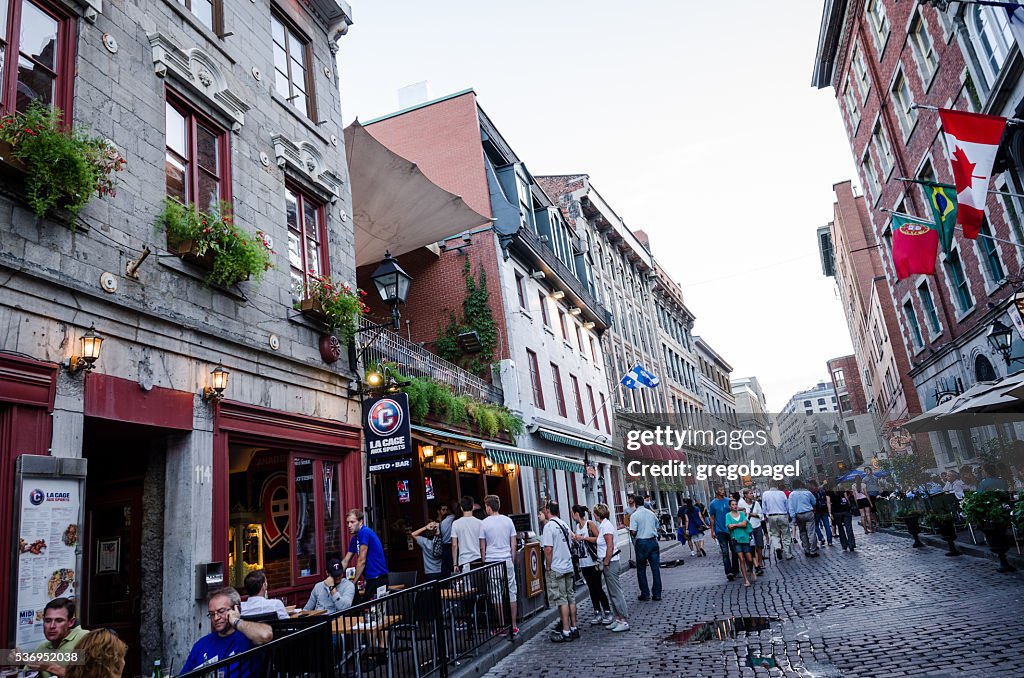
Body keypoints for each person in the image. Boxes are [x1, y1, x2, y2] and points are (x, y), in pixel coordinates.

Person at [181, 587, 272, 676]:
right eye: (212, 614)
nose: (216, 618)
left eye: (221, 611)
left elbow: (266, 635)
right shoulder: (201, 645)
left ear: (236, 609)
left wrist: (236, 621)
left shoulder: (248, 637)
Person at [479, 494, 518, 636]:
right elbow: (513, 543)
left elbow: (482, 546)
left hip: (492, 560)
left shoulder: (484, 523)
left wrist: (484, 560)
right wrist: (512, 559)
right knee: (512, 591)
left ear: (489, 508)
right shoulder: (508, 521)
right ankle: (513, 625)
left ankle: (502, 625)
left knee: (496, 594)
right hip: (506, 558)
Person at [540, 502, 578, 642]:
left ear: (548, 510)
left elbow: (548, 549)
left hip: (557, 567)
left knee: (562, 600)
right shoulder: (564, 524)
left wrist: (548, 566)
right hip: (567, 565)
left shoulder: (549, 526)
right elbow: (573, 541)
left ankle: (566, 630)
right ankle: (574, 627)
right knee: (571, 597)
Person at [24, 598, 89, 678]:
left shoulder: (85, 638)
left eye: (59, 620)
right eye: (48, 621)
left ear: (71, 622)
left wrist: (51, 667)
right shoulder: (42, 648)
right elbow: (27, 673)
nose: (52, 626)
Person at [570, 504, 611, 625]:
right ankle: (597, 611)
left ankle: (607, 611)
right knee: (591, 589)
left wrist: (584, 538)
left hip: (593, 561)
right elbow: (580, 544)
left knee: (597, 587)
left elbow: (599, 539)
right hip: (583, 562)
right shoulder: (577, 526)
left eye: (573, 513)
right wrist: (576, 540)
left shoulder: (589, 524)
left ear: (577, 514)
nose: (572, 516)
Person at [593, 503, 629, 632]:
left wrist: (606, 562)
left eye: (594, 513)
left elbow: (610, 546)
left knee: (615, 591)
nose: (593, 515)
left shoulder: (606, 526)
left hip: (611, 562)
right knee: (611, 591)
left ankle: (624, 620)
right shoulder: (603, 525)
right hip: (608, 561)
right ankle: (618, 618)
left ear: (598, 514)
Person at [342, 509, 388, 603]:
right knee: (366, 610)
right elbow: (346, 561)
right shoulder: (355, 539)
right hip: (371, 579)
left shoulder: (364, 532)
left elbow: (362, 560)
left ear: (360, 522)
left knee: (371, 612)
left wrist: (353, 582)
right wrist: (335, 575)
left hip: (378, 579)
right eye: (347, 523)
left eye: (352, 522)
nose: (349, 525)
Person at [628, 494, 663, 600]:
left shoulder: (634, 515)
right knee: (655, 569)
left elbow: (633, 532)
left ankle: (645, 593)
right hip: (652, 541)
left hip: (642, 542)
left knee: (641, 569)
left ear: (635, 503)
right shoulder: (651, 514)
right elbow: (657, 527)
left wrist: (631, 532)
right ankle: (657, 594)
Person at [708, 486, 739, 580]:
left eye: (723, 489)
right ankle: (728, 571)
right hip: (720, 531)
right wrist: (712, 531)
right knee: (725, 552)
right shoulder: (713, 504)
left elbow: (734, 512)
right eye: (720, 490)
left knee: (734, 550)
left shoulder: (728, 501)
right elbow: (712, 518)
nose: (722, 491)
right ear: (716, 491)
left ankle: (735, 569)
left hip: (731, 529)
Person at [726, 498, 756, 587]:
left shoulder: (742, 514)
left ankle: (751, 571)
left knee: (750, 559)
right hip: (735, 539)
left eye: (735, 504)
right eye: (733, 505)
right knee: (741, 559)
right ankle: (746, 579)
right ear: (730, 506)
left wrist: (735, 525)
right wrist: (739, 524)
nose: (735, 506)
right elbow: (729, 527)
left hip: (745, 538)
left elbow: (744, 524)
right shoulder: (728, 515)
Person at [451, 495, 483, 572]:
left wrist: (455, 564)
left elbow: (454, 545)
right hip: (478, 558)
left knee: (467, 583)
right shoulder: (480, 523)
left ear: (461, 508)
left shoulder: (456, 523)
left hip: (464, 560)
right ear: (473, 507)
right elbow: (482, 542)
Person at [762, 481, 792, 561]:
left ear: (769, 485)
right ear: (777, 486)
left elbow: (764, 507)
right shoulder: (781, 493)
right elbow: (787, 505)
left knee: (774, 534)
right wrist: (788, 514)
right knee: (786, 534)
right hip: (782, 515)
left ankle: (777, 547)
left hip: (771, 516)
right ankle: (788, 554)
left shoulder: (765, 494)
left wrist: (765, 516)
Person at [789, 479, 819, 558]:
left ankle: (807, 550)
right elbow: (814, 502)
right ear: (801, 485)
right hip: (808, 513)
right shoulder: (807, 492)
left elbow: (791, 507)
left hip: (798, 515)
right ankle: (813, 550)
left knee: (802, 532)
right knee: (811, 532)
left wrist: (793, 518)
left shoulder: (792, 494)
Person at [739, 489, 765, 575]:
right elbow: (739, 516)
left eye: (752, 493)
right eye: (750, 493)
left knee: (759, 546)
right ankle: (753, 565)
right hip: (747, 528)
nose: (752, 494)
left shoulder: (756, 503)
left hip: (757, 526)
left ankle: (760, 563)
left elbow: (761, 515)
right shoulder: (741, 504)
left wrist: (756, 515)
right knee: (750, 547)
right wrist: (746, 514)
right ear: (745, 495)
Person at [812, 481, 833, 548]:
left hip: (817, 511)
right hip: (824, 510)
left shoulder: (812, 493)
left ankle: (821, 537)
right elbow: (827, 500)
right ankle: (830, 541)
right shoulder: (823, 491)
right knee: (827, 525)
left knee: (816, 525)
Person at [438, 503, 456, 577]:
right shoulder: (454, 519)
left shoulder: (442, 522)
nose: (445, 511)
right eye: (443, 510)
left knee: (446, 572)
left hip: (445, 547)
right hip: (450, 545)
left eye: (446, 509)